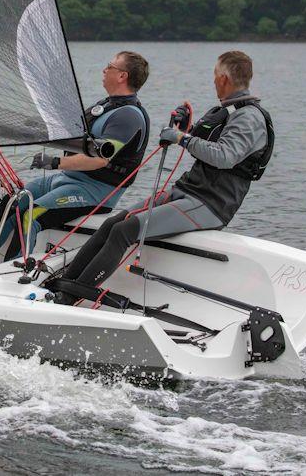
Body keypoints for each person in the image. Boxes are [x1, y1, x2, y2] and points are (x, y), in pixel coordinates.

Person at [53, 51, 274, 303]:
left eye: (215, 75)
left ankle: (70, 298)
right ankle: (63, 284)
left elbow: (225, 156)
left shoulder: (249, 117)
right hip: (188, 191)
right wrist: (185, 129)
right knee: (112, 223)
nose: (213, 80)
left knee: (125, 230)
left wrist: (182, 138)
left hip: (210, 204)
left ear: (223, 78)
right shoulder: (230, 111)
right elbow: (210, 144)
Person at [0, 51, 151, 272]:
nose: (104, 69)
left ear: (122, 76)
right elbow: (72, 133)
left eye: (110, 66)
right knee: (13, 202)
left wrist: (54, 162)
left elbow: (98, 160)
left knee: (30, 215)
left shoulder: (128, 116)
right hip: (67, 179)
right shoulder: (106, 105)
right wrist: (33, 126)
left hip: (95, 193)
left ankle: (9, 272)